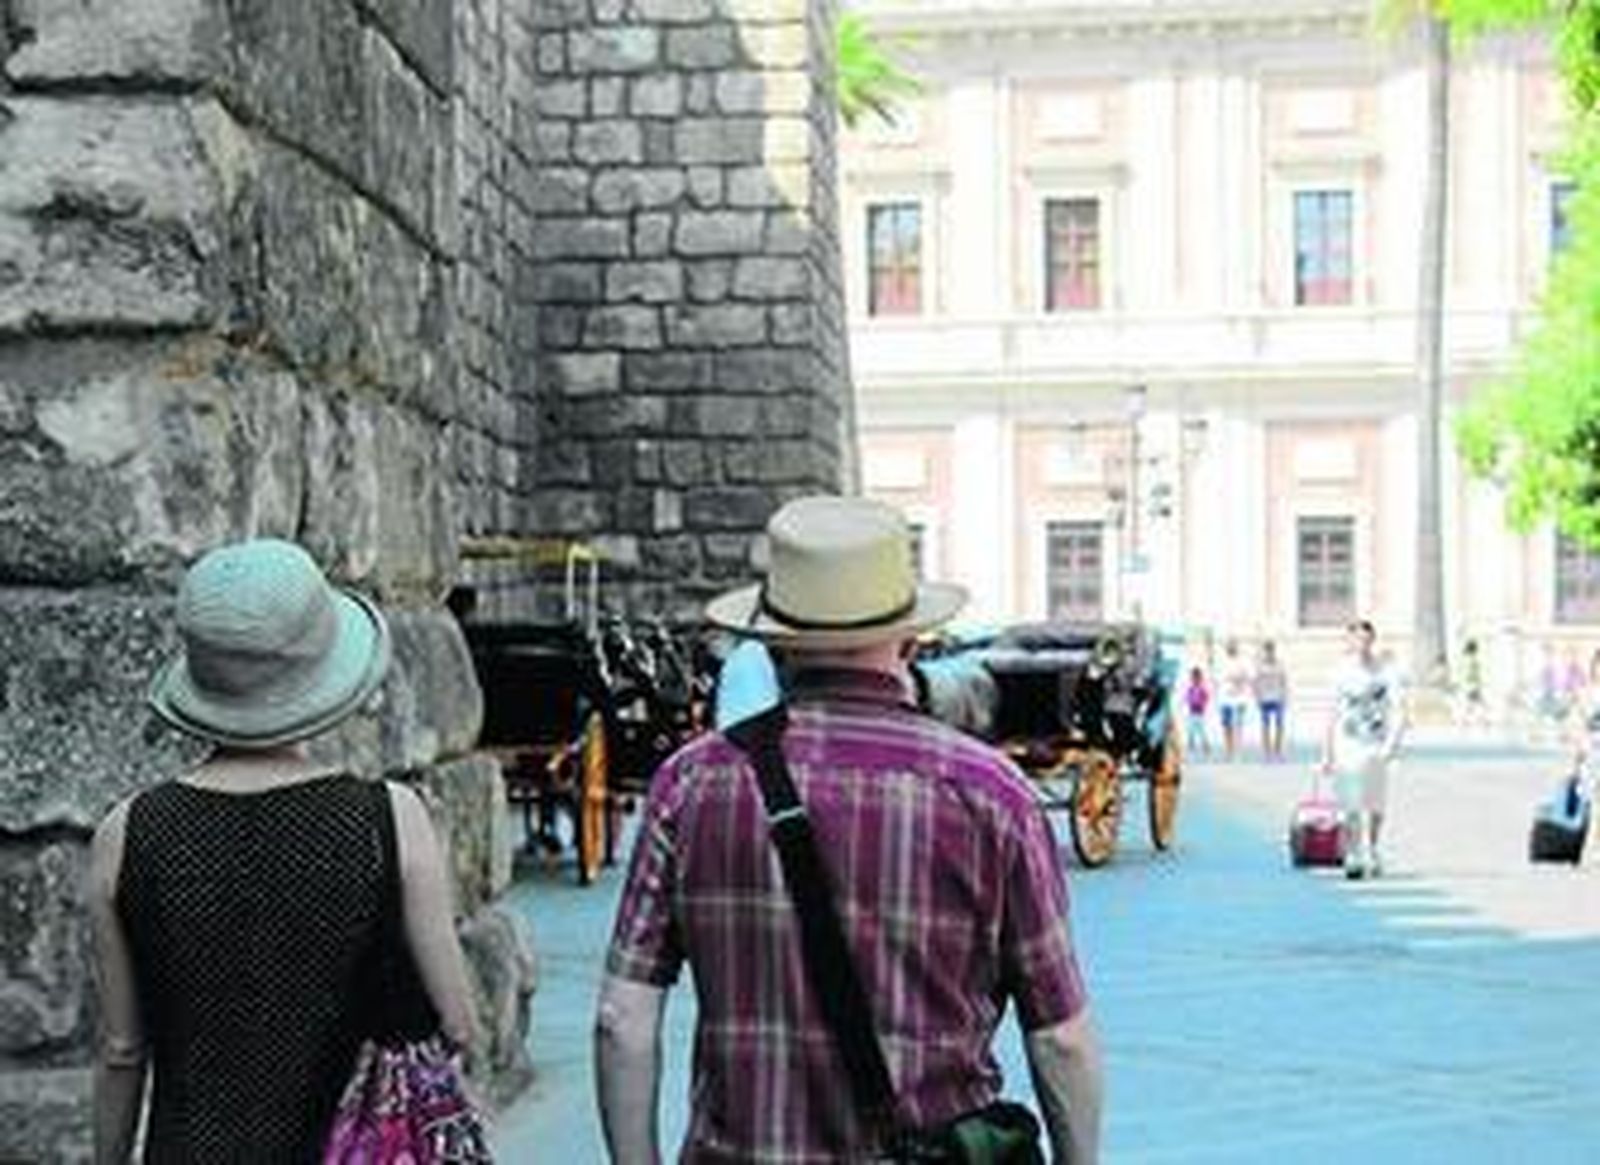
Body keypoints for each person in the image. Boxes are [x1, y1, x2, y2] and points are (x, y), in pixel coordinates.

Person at [594, 496, 1104, 1163]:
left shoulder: (690, 784)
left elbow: (620, 1021)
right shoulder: (993, 793)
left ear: (776, 637)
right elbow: (1060, 1038)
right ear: (911, 635)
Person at [89, 539, 480, 1161]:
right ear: (326, 676)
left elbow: (122, 1048)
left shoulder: (127, 831)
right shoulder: (389, 821)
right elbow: (456, 1021)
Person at [1320, 619, 1408, 880]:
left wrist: (1392, 745)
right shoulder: (1339, 673)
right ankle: (1354, 852)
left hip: (1377, 745)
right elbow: (1331, 713)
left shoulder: (1387, 673)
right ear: (1348, 642)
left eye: (1366, 640)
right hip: (1347, 745)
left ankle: (1373, 847)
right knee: (1350, 804)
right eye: (1356, 640)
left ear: (1373, 641)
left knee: (1376, 804)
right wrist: (1326, 754)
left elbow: (1400, 710)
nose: (1362, 645)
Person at [1253, 640, 1290, 762]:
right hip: (1265, 698)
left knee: (1279, 725)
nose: (1269, 652)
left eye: (1271, 650)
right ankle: (1267, 752)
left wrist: (1285, 696)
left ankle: (1277, 751)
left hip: (1277, 697)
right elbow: (1256, 682)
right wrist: (1257, 697)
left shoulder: (1279, 664)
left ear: (1274, 650)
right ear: (1265, 651)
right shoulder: (1260, 665)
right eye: (1267, 650)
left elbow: (1284, 680)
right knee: (1265, 725)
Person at [1218, 639, 1252, 761]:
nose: (1231, 648)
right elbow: (1219, 678)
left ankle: (1238, 751)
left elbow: (1249, 677)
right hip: (1225, 697)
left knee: (1238, 724)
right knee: (1227, 725)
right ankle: (1229, 750)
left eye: (1233, 646)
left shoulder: (1242, 661)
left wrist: (1239, 679)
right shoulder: (1221, 661)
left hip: (1239, 697)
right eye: (1229, 646)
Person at [1183, 665, 1211, 757]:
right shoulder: (1190, 688)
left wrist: (1202, 704)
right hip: (1192, 712)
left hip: (1200, 713)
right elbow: (1186, 698)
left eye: (1197, 677)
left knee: (1202, 732)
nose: (1195, 679)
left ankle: (1206, 750)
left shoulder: (1203, 688)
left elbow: (1207, 698)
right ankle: (1191, 750)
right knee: (1191, 732)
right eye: (1193, 678)